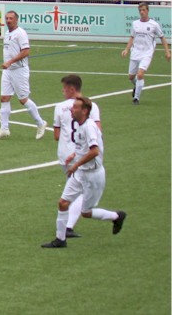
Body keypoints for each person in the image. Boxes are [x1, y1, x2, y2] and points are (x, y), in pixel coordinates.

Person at [41, 96, 126, 248]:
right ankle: (60, 239)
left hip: (93, 176)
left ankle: (116, 216)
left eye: (75, 107)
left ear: (84, 111)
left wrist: (76, 165)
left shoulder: (89, 127)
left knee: (86, 212)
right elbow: (83, 147)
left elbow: (94, 151)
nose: (72, 110)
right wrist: (74, 156)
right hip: (80, 173)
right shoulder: (80, 125)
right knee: (63, 203)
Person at [52, 75, 101, 239]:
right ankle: (68, 227)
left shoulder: (59, 107)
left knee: (71, 190)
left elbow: (56, 135)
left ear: (71, 89)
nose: (62, 91)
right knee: (80, 192)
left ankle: (64, 230)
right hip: (83, 154)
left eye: (64, 88)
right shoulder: (91, 106)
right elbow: (98, 131)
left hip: (65, 154)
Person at [0, 10, 47, 140]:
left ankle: (40, 123)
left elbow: (26, 51)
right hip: (8, 71)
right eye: (7, 18)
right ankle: (4, 128)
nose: (8, 20)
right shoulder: (7, 33)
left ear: (16, 20)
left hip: (19, 70)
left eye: (11, 18)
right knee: (4, 98)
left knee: (23, 99)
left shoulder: (21, 33)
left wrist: (10, 62)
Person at [120, 1, 171, 104]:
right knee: (131, 77)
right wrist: (126, 49)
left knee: (140, 74)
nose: (142, 12)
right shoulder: (135, 24)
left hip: (147, 53)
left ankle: (136, 98)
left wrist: (167, 52)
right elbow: (132, 37)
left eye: (143, 10)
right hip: (135, 52)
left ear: (148, 11)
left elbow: (162, 38)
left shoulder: (154, 24)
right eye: (140, 10)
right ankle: (137, 85)